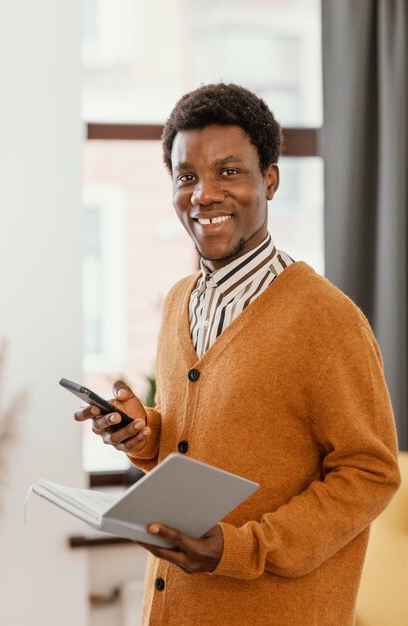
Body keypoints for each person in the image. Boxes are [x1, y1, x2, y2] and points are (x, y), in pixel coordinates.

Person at [75, 83, 401, 626]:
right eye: (186, 177)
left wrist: (242, 548)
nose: (203, 194)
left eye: (228, 171)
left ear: (269, 179)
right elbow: (208, 439)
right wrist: (144, 434)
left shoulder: (326, 319)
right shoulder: (180, 301)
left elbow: (370, 473)